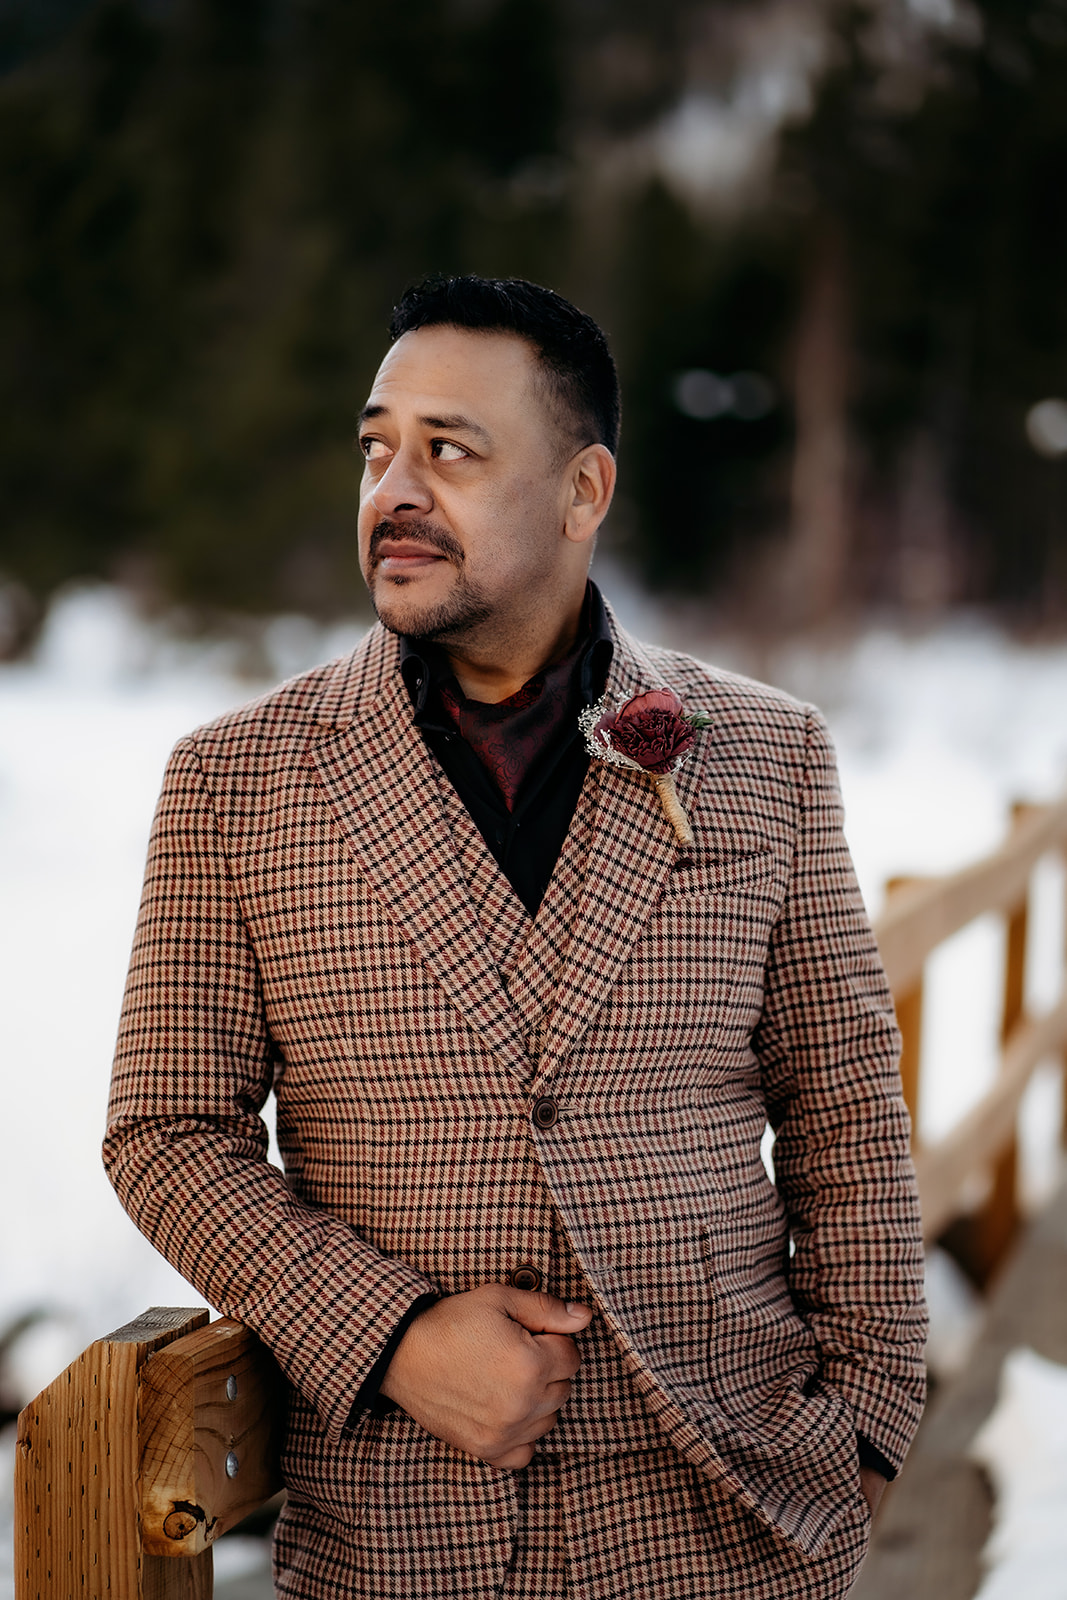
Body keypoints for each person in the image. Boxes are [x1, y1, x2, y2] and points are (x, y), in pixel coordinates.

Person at [104, 274, 927, 1599]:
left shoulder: (768, 755)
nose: (394, 492)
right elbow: (165, 1133)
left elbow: (842, 1102)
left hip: (733, 1526)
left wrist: (874, 1424)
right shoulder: (236, 780)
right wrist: (391, 1334)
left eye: (451, 450)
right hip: (397, 1543)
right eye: (377, 449)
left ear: (582, 491)